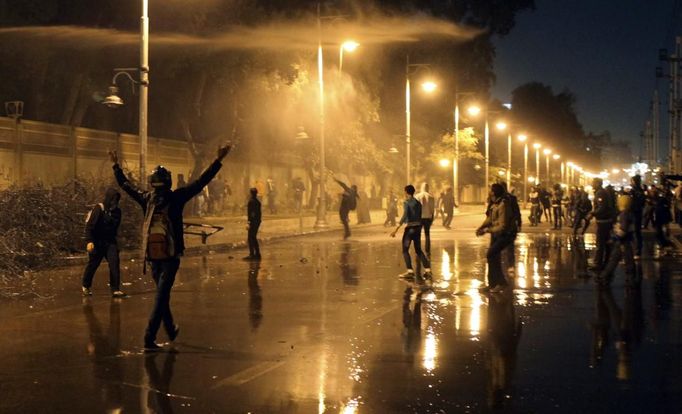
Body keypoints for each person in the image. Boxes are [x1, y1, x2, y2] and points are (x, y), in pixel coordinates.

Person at [109, 144, 231, 352]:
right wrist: (218, 160)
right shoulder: (177, 197)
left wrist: (116, 166)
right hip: (171, 256)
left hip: (152, 256)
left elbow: (126, 186)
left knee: (161, 294)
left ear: (152, 183)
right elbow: (201, 182)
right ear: (168, 182)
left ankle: (171, 329)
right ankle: (149, 337)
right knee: (161, 296)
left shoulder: (146, 199)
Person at [81, 188, 125, 298]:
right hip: (97, 241)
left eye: (116, 200)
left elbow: (115, 226)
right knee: (93, 264)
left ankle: (115, 289)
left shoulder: (117, 212)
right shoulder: (99, 209)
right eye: (112, 199)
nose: (114, 202)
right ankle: (86, 285)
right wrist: (89, 241)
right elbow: (90, 226)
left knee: (114, 263)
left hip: (110, 242)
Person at [476, 183, 513, 293]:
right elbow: (489, 219)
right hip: (495, 235)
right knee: (492, 258)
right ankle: (492, 284)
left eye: (491, 190)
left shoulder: (503, 204)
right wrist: (481, 227)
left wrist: (486, 230)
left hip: (502, 235)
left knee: (491, 256)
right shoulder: (494, 204)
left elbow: (502, 225)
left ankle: (501, 283)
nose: (489, 191)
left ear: (495, 192)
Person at [390, 185, 432, 279]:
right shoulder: (418, 203)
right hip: (418, 228)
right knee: (418, 250)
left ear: (406, 192)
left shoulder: (407, 202)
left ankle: (410, 271)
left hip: (410, 229)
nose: (404, 193)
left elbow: (405, 215)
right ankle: (428, 270)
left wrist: (396, 229)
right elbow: (419, 215)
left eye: (404, 191)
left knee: (405, 250)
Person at [595, 194, 636, 287]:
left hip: (623, 241)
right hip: (624, 241)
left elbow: (623, 229)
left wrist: (615, 238)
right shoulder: (627, 213)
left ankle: (630, 280)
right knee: (616, 260)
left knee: (623, 260)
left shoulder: (623, 214)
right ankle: (604, 277)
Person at [591, 178, 614, 270]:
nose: (592, 184)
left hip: (603, 221)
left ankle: (598, 263)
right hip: (606, 220)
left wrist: (593, 213)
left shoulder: (600, 193)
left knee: (600, 243)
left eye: (593, 183)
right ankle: (607, 261)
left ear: (597, 183)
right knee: (607, 242)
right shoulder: (602, 192)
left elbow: (602, 207)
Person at [415, 182, 435, 256]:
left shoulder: (417, 196)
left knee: (418, 235)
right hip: (427, 218)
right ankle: (427, 250)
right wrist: (432, 218)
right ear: (428, 188)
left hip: (418, 218)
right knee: (427, 234)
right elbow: (432, 209)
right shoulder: (431, 197)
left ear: (421, 188)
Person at [629, 175, 646, 259]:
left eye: (631, 181)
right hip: (636, 213)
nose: (630, 183)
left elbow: (637, 202)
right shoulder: (639, 191)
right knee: (635, 232)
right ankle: (636, 250)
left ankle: (637, 251)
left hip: (635, 213)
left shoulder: (636, 191)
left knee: (636, 232)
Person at [244, 187, 262, 260]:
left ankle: (252, 254)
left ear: (251, 193)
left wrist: (249, 222)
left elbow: (251, 213)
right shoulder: (258, 202)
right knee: (253, 237)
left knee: (250, 238)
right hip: (257, 221)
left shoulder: (251, 202)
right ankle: (257, 253)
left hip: (253, 221)